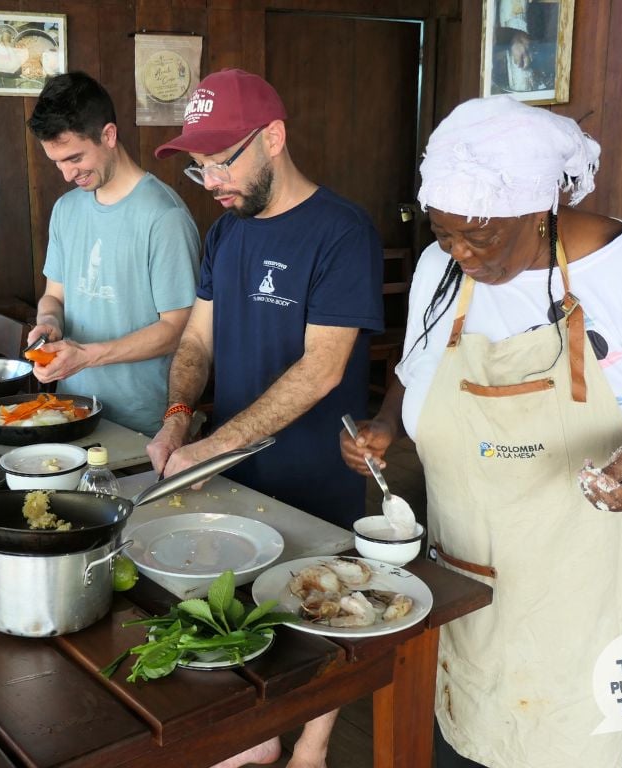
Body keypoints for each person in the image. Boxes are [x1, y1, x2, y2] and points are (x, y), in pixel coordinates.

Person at [340, 95, 622, 768]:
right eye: (444, 233)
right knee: (465, 726)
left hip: (579, 583)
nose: (460, 253)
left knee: (570, 738)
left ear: (541, 206)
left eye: (480, 236)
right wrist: (384, 425)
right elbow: (417, 365)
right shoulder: (440, 269)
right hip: (463, 569)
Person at [147, 68, 384, 767]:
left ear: (273, 138)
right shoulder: (226, 232)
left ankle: (312, 745)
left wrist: (212, 445)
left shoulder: (342, 231)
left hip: (315, 467)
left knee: (319, 604)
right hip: (233, 467)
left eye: (222, 161)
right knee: (241, 599)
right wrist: (178, 419)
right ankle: (259, 736)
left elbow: (323, 368)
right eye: (199, 167)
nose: (211, 181)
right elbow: (196, 340)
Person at [25, 71, 200, 435]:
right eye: (57, 162)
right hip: (70, 413)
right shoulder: (66, 209)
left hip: (142, 425)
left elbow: (178, 330)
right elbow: (55, 296)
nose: (67, 174)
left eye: (74, 158)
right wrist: (49, 324)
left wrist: (88, 357)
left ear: (108, 135)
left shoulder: (164, 216)